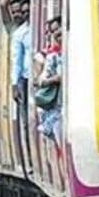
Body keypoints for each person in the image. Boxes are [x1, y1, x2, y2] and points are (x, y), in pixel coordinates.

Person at [8, 0, 32, 164]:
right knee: (26, 118)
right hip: (26, 78)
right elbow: (16, 60)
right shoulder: (20, 33)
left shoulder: (42, 29)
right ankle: (29, 155)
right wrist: (14, 84)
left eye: (27, 10)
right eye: (22, 12)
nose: (25, 14)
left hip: (41, 77)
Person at [36, 14, 63, 142]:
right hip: (57, 106)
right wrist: (55, 79)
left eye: (59, 28)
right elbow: (40, 81)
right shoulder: (52, 56)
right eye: (53, 31)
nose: (57, 33)